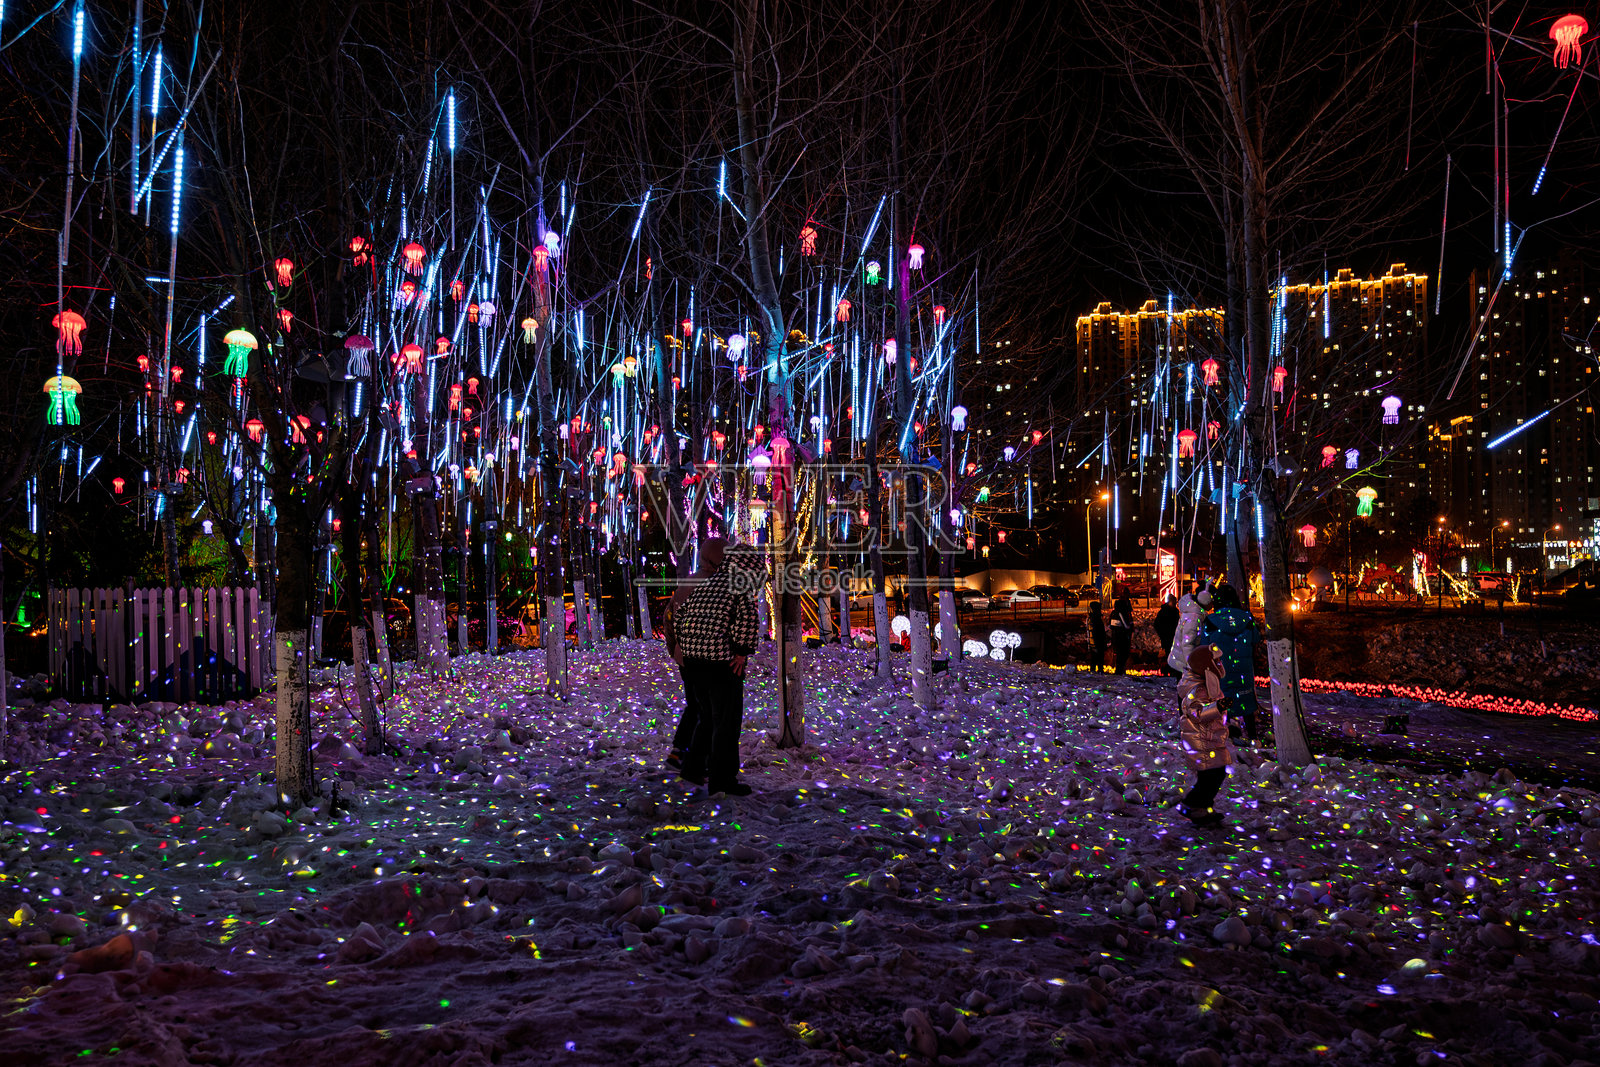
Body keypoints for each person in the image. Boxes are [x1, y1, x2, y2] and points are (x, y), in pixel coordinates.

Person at [674, 544, 764, 796]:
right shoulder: (740, 587)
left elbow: (681, 618)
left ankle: (692, 768)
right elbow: (746, 622)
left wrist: (690, 647)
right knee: (726, 723)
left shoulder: (708, 585)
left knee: (705, 717)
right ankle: (722, 780)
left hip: (693, 662)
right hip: (719, 664)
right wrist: (740, 652)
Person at [662, 537, 727, 774]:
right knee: (708, 708)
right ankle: (697, 758)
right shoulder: (715, 585)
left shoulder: (689, 582)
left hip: (686, 657)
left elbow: (669, 618)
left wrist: (675, 649)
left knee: (696, 705)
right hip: (705, 658)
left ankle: (680, 751)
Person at [1176, 644, 1232, 826]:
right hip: (1201, 739)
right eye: (1216, 661)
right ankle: (1191, 805)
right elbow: (1197, 713)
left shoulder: (1206, 683)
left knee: (1211, 775)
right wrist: (1219, 707)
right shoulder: (1198, 689)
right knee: (1213, 776)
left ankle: (1204, 808)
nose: (1220, 664)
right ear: (1206, 665)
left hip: (1209, 737)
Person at [1199, 583, 1260, 740]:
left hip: (1221, 669)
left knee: (1223, 699)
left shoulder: (1211, 621)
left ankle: (1225, 733)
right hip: (1244, 669)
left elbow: (1203, 645)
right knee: (1245, 700)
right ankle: (1252, 735)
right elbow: (1256, 639)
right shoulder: (1247, 618)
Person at [1166, 582, 1213, 676]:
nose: (1213, 604)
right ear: (1206, 602)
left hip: (1181, 661)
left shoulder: (1193, 613)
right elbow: (1188, 644)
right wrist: (1192, 667)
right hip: (1183, 665)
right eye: (1211, 601)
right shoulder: (1194, 618)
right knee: (1187, 690)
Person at [1153, 594, 1180, 675]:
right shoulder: (1168, 612)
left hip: (1170, 636)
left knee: (1171, 653)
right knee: (1170, 653)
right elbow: (1157, 625)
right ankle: (1171, 670)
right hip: (1169, 636)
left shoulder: (1168, 611)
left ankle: (1171, 670)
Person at [1108, 596, 1135, 674]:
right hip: (1123, 638)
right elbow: (1127, 626)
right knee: (1123, 655)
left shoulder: (1113, 613)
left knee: (1119, 655)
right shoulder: (1122, 613)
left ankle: (1118, 670)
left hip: (1115, 637)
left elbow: (1110, 625)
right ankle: (1120, 671)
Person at [1087, 601, 1107, 673]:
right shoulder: (1096, 619)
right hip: (1097, 643)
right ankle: (1099, 672)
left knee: (1094, 659)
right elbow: (1097, 632)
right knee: (1098, 659)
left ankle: (1094, 672)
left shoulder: (1091, 618)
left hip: (1094, 643)